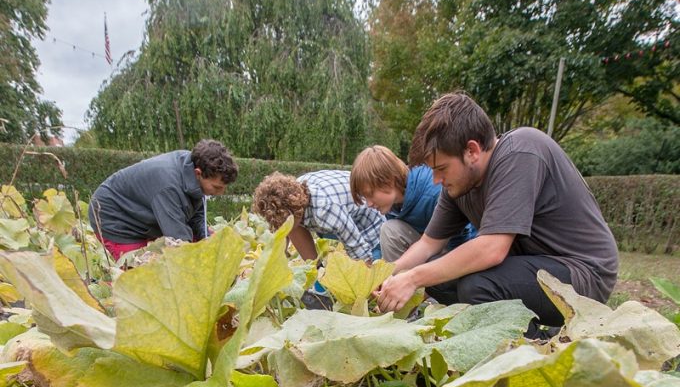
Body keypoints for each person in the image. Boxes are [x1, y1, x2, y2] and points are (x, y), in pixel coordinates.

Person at [375, 93, 619, 331]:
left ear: (472, 151)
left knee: (477, 285)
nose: (437, 180)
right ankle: (527, 332)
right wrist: (386, 275)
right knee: (438, 277)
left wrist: (413, 278)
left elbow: (492, 249)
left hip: (584, 274)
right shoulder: (459, 186)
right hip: (535, 270)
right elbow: (428, 244)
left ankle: (541, 351)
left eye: (441, 168)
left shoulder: (521, 151)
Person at [88, 139, 238, 260]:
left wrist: (207, 237)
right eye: (217, 187)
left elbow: (197, 214)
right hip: (113, 217)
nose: (220, 193)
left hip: (142, 213)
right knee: (137, 274)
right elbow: (178, 240)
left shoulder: (192, 167)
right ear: (198, 173)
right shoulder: (168, 187)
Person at [349, 144, 476, 262]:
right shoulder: (393, 204)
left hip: (463, 250)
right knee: (389, 230)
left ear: (388, 181)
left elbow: (462, 235)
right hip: (430, 247)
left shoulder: (432, 193)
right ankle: (395, 283)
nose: (369, 204)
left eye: (370, 194)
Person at [252, 169, 383, 263]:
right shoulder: (294, 194)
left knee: (370, 274)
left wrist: (367, 284)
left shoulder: (325, 209)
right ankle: (318, 273)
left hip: (370, 225)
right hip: (344, 215)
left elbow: (359, 250)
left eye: (284, 221)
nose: (282, 226)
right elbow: (285, 231)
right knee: (293, 227)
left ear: (296, 208)